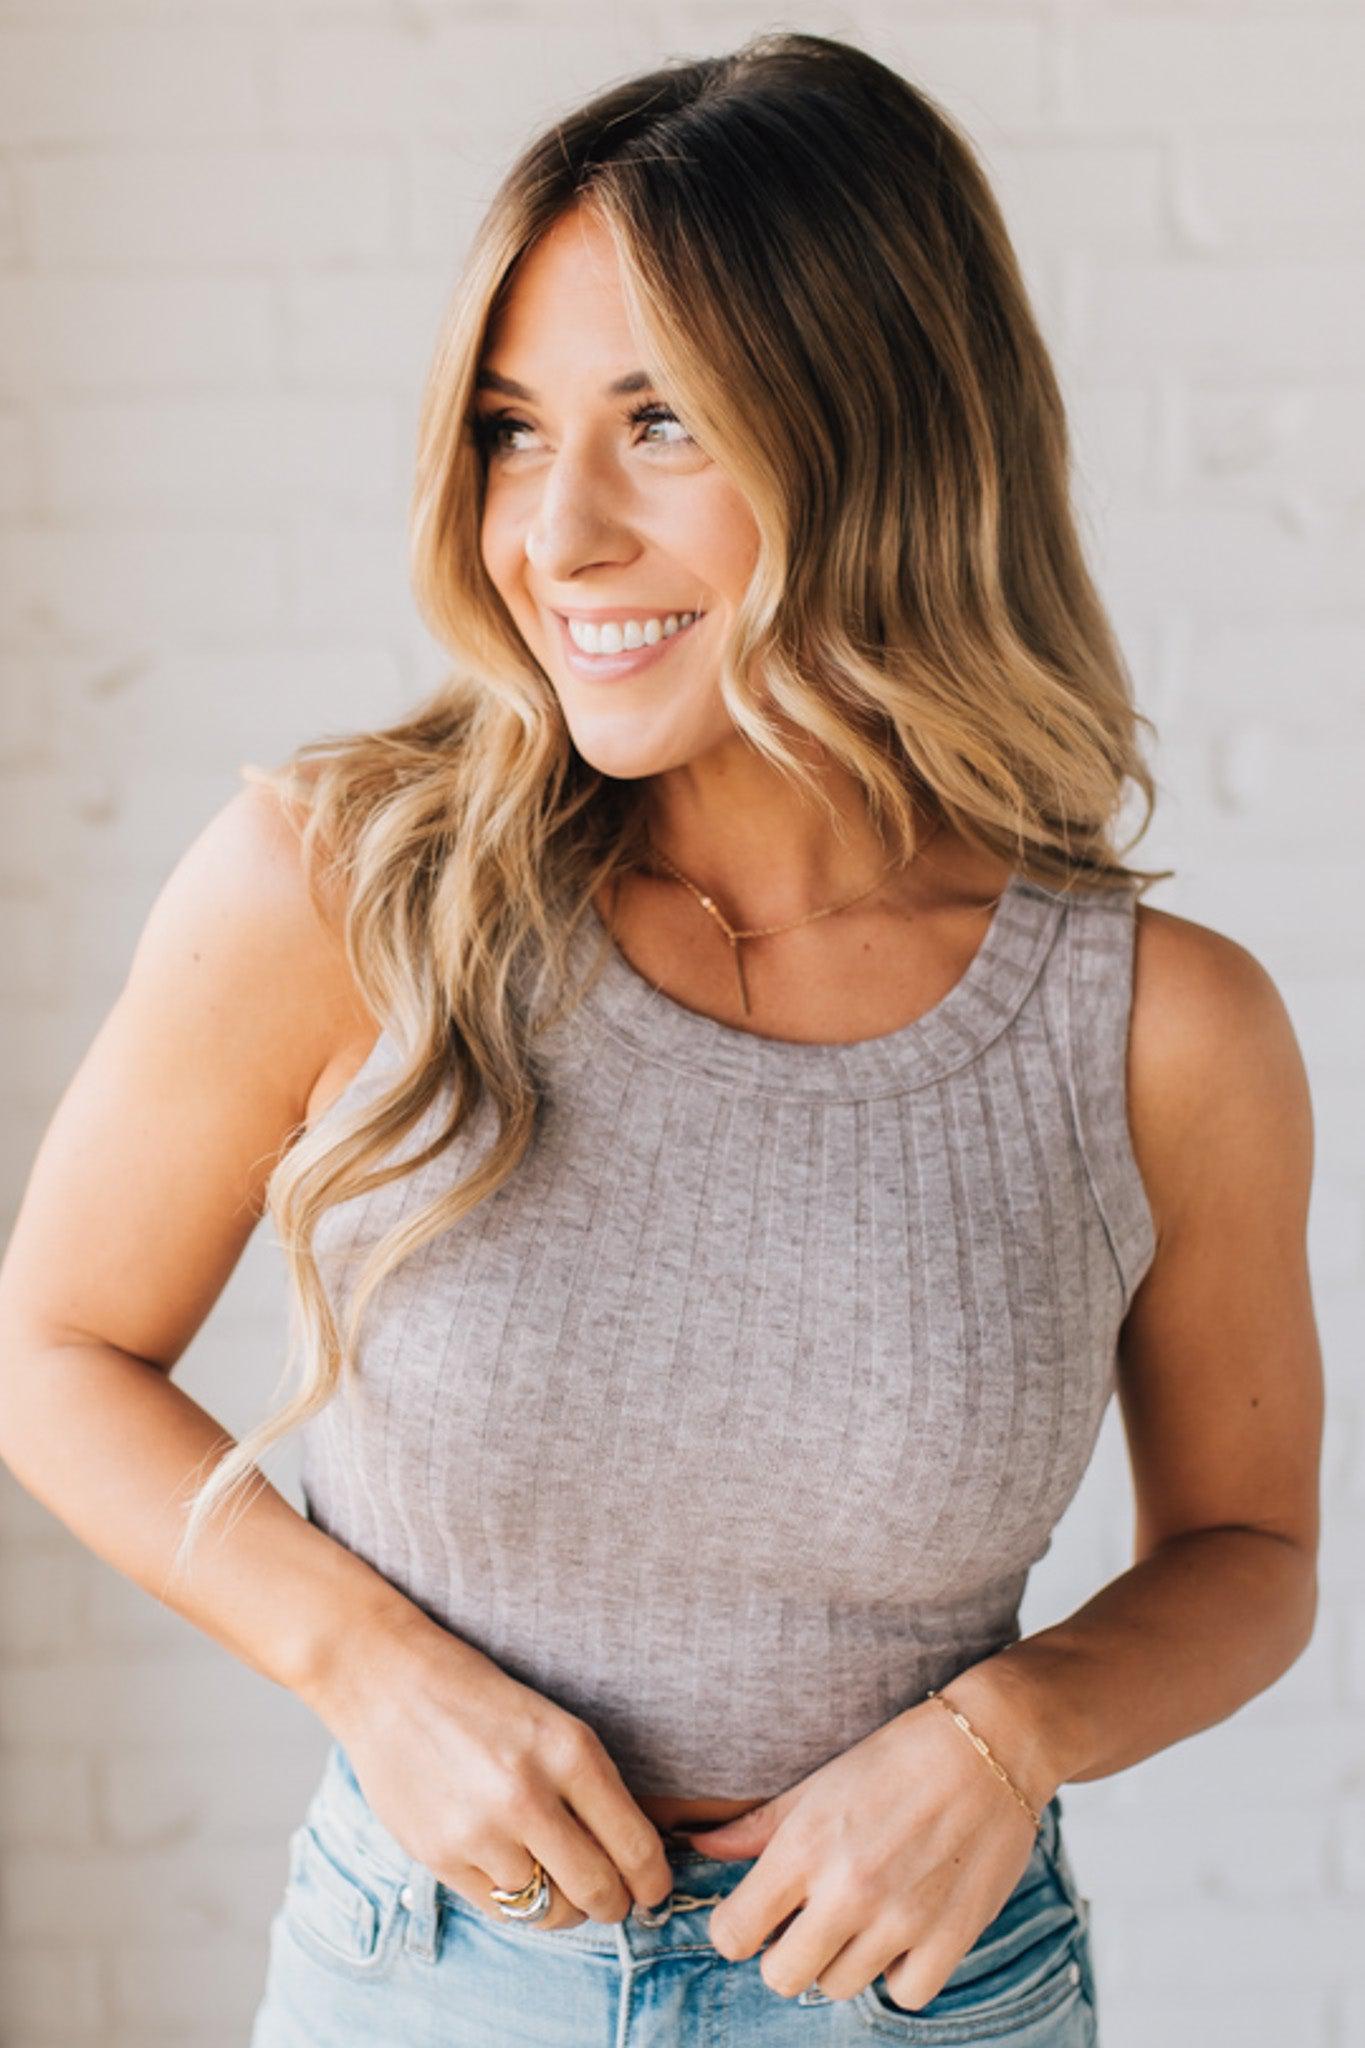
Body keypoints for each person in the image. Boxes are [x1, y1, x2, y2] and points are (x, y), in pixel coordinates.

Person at [0, 29, 1321, 2048]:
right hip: (418, 1988)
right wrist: (362, 1663)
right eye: (514, 432)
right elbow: (54, 1350)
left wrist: (1000, 1737)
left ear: (877, 430)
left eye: (663, 425)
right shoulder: (339, 886)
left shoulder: (1152, 1027)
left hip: (928, 2004)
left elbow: (1246, 1548)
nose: (558, 534)